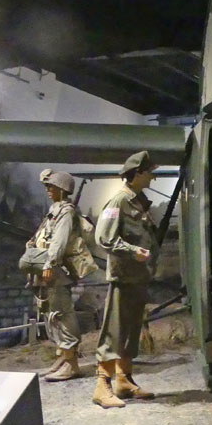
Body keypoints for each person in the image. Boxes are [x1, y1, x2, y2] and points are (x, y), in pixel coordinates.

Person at [91, 150, 160, 408]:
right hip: (124, 276)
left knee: (130, 332)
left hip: (138, 277)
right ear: (138, 173)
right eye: (149, 172)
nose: (152, 177)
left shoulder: (138, 202)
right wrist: (133, 252)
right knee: (114, 332)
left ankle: (123, 380)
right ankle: (102, 387)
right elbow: (105, 238)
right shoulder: (119, 202)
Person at [20, 169, 84, 382]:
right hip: (47, 269)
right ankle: (62, 358)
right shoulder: (55, 210)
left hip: (55, 269)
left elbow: (59, 241)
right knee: (49, 314)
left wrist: (49, 262)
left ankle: (72, 364)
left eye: (52, 186)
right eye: (47, 186)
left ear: (63, 189)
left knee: (62, 315)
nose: (48, 190)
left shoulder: (66, 212)